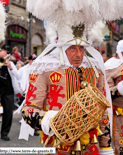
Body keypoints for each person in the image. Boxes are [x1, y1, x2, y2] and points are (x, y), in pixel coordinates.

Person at [19, 23, 114, 154]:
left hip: (90, 147)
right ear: (62, 48)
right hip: (57, 145)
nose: (79, 54)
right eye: (72, 48)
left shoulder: (94, 70)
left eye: (81, 48)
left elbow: (103, 112)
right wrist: (50, 119)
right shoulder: (45, 69)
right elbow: (28, 109)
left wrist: (106, 147)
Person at [0, 49, 20, 141]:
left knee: (8, 114)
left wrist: (10, 67)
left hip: (8, 92)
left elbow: (18, 76)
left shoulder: (11, 64)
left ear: (6, 56)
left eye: (2, 57)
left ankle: (4, 134)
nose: (1, 59)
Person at [105, 40, 123, 155]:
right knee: (121, 146)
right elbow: (106, 94)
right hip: (120, 114)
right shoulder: (111, 67)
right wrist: (119, 89)